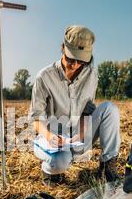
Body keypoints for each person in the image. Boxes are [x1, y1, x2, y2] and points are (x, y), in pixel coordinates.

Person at [29, 25, 121, 187]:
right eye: (71, 58)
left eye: (81, 61)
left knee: (110, 109)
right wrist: (50, 137)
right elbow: (36, 118)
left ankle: (107, 166)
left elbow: (88, 109)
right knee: (61, 162)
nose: (75, 64)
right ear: (63, 48)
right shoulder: (44, 77)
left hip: (77, 137)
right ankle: (49, 170)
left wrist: (83, 132)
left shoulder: (91, 75)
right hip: (52, 139)